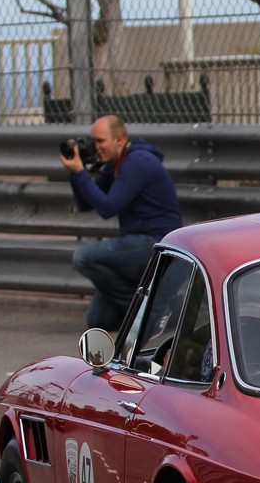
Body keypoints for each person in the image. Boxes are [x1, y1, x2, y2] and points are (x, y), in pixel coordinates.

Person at [61, 114, 183, 332]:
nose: (95, 147)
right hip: (138, 245)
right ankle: (169, 306)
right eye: (93, 141)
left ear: (118, 140)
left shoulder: (138, 162)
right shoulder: (117, 163)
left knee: (84, 257)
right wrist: (75, 172)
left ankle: (153, 308)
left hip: (159, 245)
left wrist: (81, 173)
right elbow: (85, 204)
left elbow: (108, 207)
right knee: (99, 319)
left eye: (100, 141)